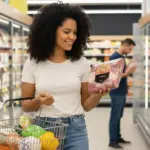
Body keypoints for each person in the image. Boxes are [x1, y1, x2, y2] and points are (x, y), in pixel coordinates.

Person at [21, 3, 110, 150]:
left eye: (75, 32)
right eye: (67, 32)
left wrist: (99, 94)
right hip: (42, 131)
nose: (72, 37)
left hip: (75, 130)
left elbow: (86, 105)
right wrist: (38, 101)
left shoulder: (81, 63)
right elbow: (26, 105)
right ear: (50, 31)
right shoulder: (32, 63)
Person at [109, 38, 136, 149]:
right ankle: (112, 140)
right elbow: (115, 77)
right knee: (115, 116)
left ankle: (117, 137)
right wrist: (129, 72)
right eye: (129, 48)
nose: (130, 51)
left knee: (119, 116)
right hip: (116, 92)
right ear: (125, 45)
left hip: (121, 91)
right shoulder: (114, 57)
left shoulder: (122, 57)